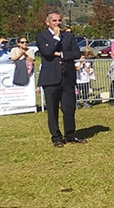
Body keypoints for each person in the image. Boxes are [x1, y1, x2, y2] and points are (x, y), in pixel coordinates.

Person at [36, 12, 85, 147]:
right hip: (50, 78)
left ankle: (70, 134)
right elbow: (46, 53)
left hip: (67, 78)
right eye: (54, 20)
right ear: (48, 22)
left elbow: (76, 53)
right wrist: (56, 38)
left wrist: (60, 54)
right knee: (52, 109)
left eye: (59, 20)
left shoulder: (68, 36)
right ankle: (56, 137)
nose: (57, 23)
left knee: (69, 108)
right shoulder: (42, 36)